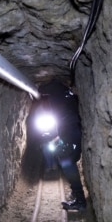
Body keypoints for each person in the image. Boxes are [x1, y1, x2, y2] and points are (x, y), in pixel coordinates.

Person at [38, 80, 87, 211]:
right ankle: (77, 194)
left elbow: (65, 122)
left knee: (67, 163)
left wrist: (58, 137)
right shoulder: (67, 96)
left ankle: (80, 201)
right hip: (74, 132)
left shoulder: (58, 99)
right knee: (70, 160)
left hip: (70, 134)